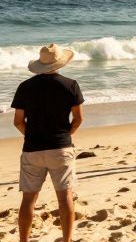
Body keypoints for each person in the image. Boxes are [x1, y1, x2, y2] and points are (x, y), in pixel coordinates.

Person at [11, 44, 83, 242]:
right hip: (60, 147)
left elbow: (18, 121)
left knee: (28, 200)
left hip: (32, 149)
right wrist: (65, 136)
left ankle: (23, 240)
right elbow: (78, 119)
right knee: (65, 197)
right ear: (59, 63)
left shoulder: (25, 87)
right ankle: (67, 240)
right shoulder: (71, 85)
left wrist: (32, 134)